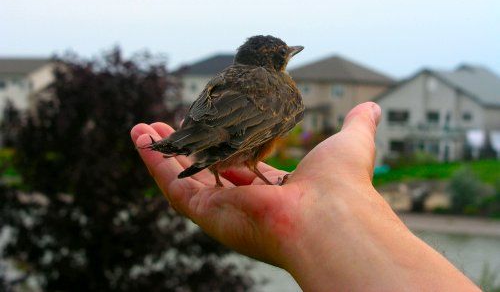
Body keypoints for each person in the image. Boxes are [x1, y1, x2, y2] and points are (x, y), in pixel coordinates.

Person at [131, 102, 479, 291]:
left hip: (212, 145)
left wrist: (313, 218)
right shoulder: (278, 96)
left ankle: (190, 155)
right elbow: (249, 148)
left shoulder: (241, 90)